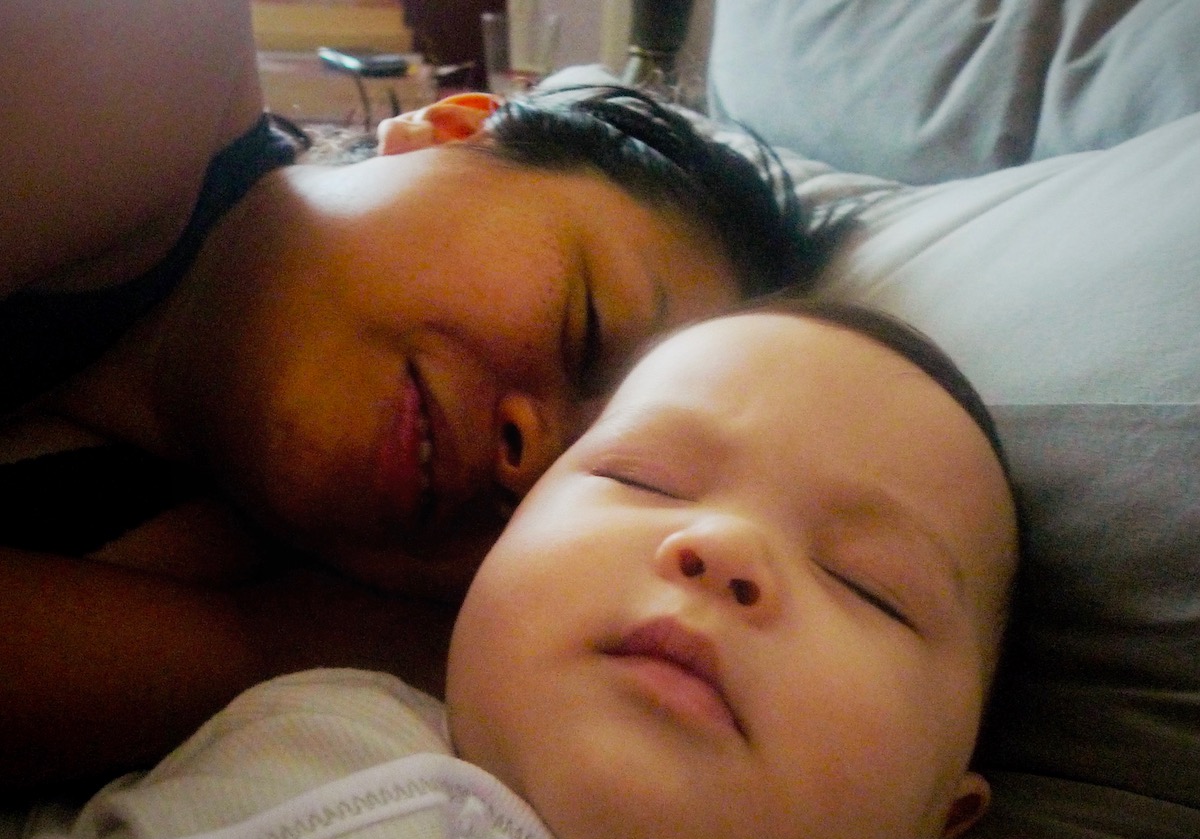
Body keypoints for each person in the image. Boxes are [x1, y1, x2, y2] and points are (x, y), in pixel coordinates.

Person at [0, 1, 823, 794]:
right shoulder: (143, 61)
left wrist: (282, 640)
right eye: (584, 332)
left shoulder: (204, 560)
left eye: (599, 476)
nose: (530, 463)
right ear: (453, 128)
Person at [2, 304, 1020, 839]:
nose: (722, 548)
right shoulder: (283, 716)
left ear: (940, 824)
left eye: (869, 587)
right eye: (644, 478)